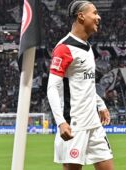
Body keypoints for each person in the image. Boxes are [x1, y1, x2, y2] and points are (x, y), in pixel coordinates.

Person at [47, 1, 114, 169]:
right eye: (95, 13)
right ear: (81, 16)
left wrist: (100, 104)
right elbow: (52, 87)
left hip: (94, 123)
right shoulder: (64, 48)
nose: (99, 17)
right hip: (75, 125)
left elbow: (86, 84)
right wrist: (61, 122)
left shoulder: (87, 47)